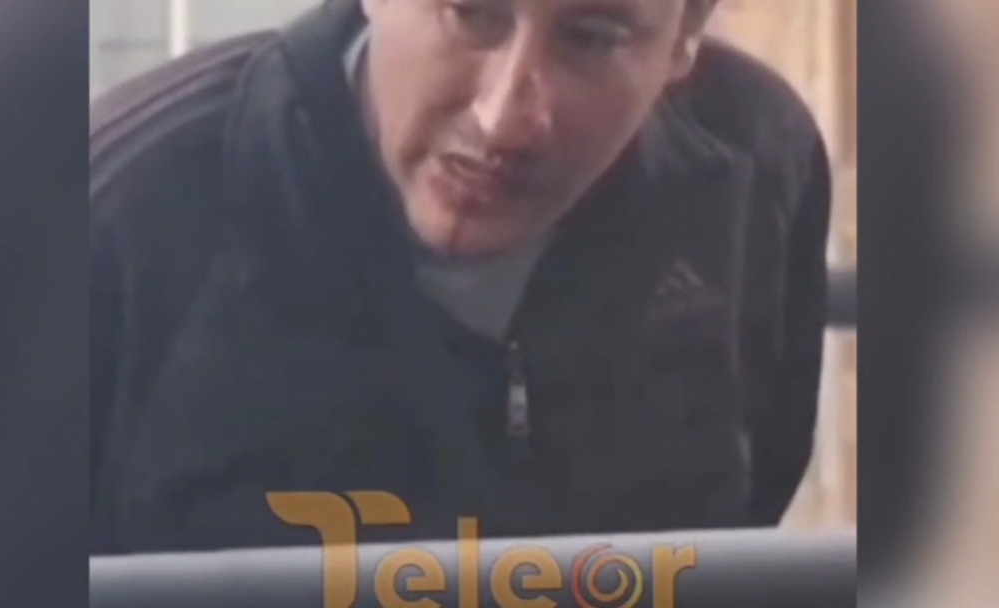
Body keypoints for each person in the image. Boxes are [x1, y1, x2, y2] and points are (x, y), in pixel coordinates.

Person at [90, 0, 831, 555]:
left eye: (592, 37)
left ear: (685, 34)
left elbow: (753, 502)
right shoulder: (114, 214)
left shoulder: (759, 164)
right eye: (471, 13)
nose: (503, 118)